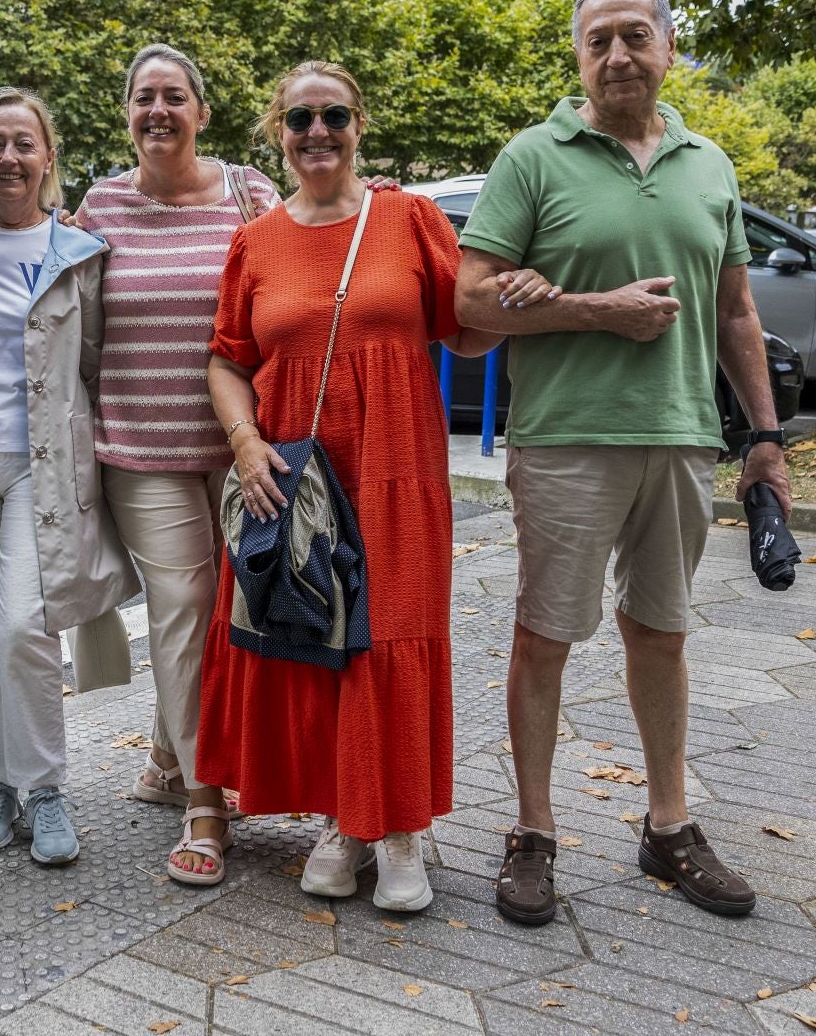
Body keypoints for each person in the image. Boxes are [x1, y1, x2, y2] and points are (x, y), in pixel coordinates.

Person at [453, 0, 792, 927]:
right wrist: (594, 311)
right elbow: (471, 302)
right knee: (544, 637)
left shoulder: (710, 165)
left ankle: (668, 827)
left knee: (663, 635)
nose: (617, 55)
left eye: (635, 35)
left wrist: (764, 437)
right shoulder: (533, 158)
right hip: (565, 441)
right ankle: (531, 831)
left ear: (669, 46)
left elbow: (736, 310)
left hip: (683, 438)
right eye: (598, 39)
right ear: (578, 56)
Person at [198, 61, 553, 912]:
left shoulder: (408, 216)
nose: (317, 132)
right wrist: (244, 444)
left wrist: (523, 295)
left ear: (359, 126)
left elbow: (464, 332)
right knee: (316, 636)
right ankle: (340, 818)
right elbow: (226, 358)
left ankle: (395, 829)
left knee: (390, 633)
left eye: (334, 116)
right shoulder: (254, 241)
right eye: (299, 119)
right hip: (296, 469)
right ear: (276, 133)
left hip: (395, 466)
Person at [0, 87, 141, 866]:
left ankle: (45, 791)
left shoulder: (76, 252)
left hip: (43, 468)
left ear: (48, 158)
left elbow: (102, 361)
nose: (9, 158)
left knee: (23, 628)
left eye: (23, 144)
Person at [72, 44, 281, 887]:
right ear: (127, 113)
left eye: (174, 97)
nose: (157, 111)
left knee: (232, 606)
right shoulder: (101, 205)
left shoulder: (248, 194)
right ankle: (204, 801)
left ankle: (165, 755)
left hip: (244, 444)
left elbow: (308, 249)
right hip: (141, 449)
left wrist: (371, 202)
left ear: (201, 112)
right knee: (186, 606)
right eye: (142, 98)